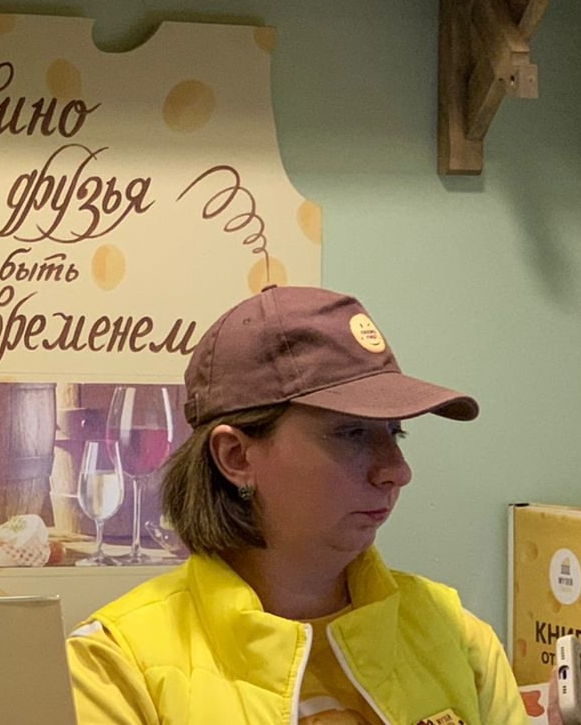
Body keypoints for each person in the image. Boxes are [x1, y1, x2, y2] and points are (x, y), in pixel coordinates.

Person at [67, 285, 520, 724]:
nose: (397, 471)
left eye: (394, 433)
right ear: (236, 457)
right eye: (352, 433)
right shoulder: (114, 668)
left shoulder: (458, 637)